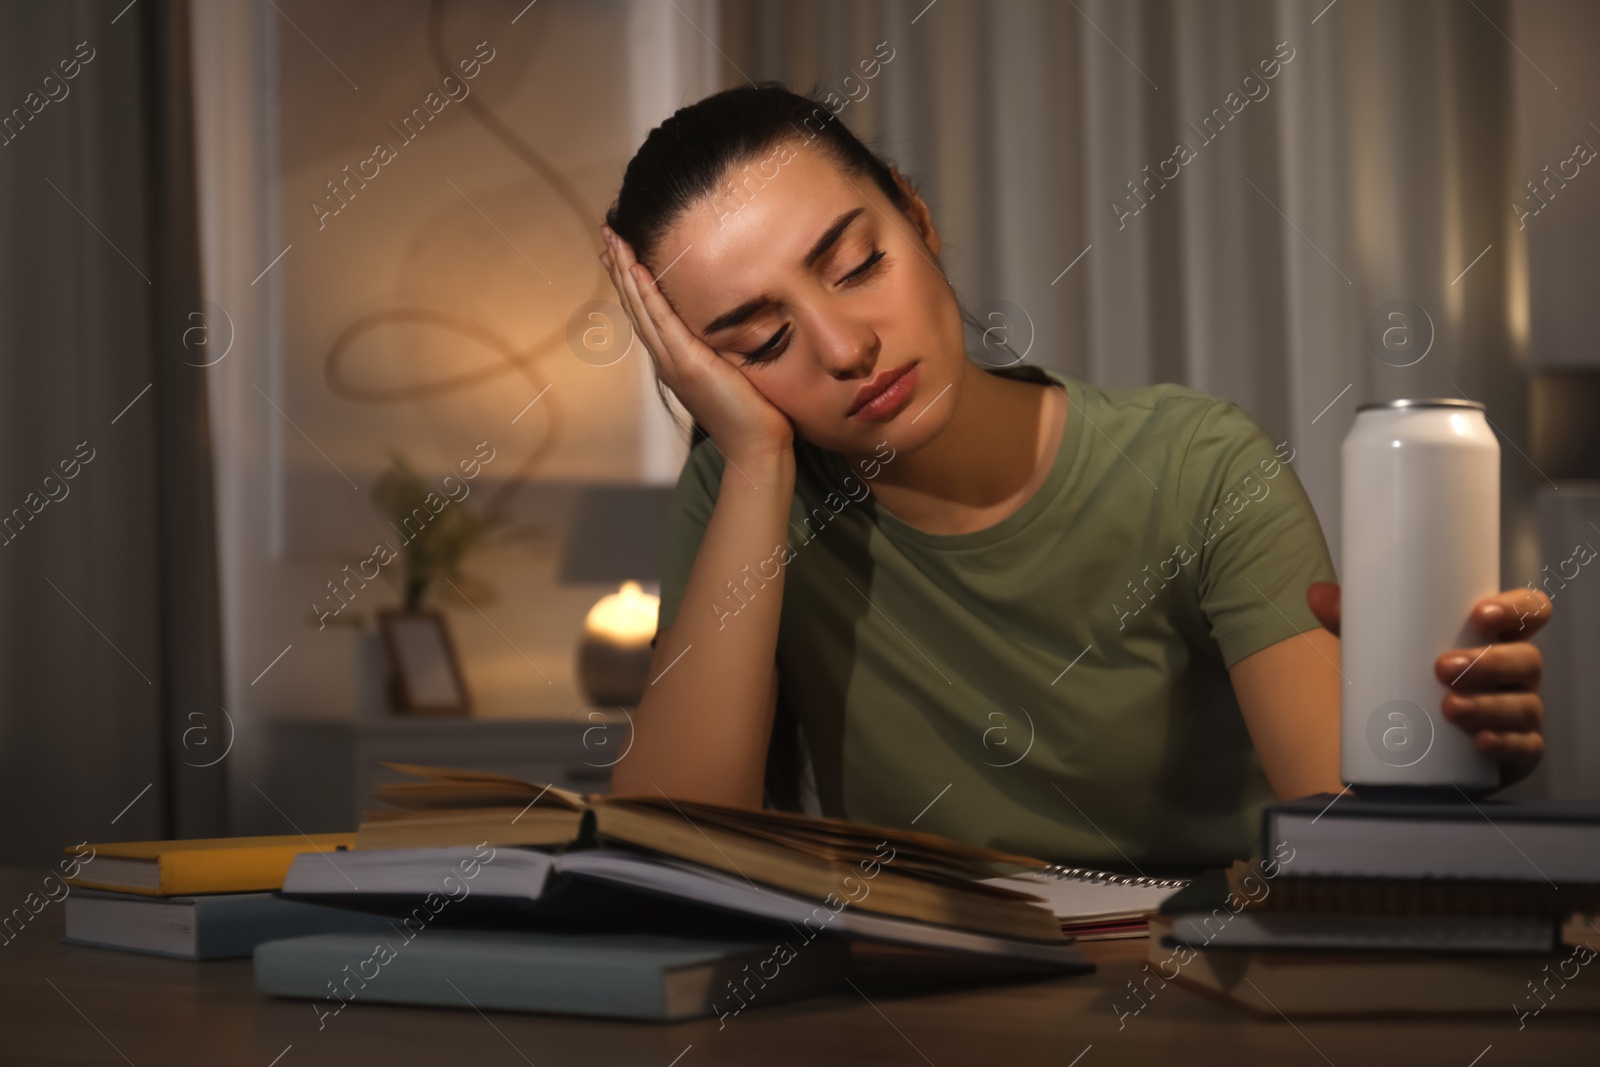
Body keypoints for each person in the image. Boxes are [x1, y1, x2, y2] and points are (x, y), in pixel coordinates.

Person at [595, 83, 1550, 873]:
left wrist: (1440, 748)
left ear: (917, 219)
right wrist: (756, 461)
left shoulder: (1197, 466)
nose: (848, 348)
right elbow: (677, 857)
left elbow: (1354, 846)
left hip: (1200, 1000)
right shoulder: (745, 499)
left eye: (857, 266)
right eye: (763, 343)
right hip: (923, 1016)